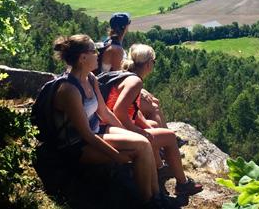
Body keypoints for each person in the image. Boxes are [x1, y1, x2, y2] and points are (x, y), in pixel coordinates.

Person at [51, 34, 160, 204]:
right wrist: (116, 155)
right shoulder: (69, 90)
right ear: (83, 58)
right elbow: (86, 135)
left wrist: (129, 134)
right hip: (77, 145)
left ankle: (156, 196)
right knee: (141, 146)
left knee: (144, 141)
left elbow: (105, 113)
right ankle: (148, 202)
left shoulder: (90, 78)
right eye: (94, 51)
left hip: (96, 131)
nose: (99, 53)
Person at [105, 43, 203, 196]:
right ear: (149, 63)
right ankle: (183, 183)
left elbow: (133, 111)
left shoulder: (124, 76)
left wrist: (147, 128)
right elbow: (119, 111)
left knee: (154, 125)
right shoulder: (135, 82)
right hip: (117, 130)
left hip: (111, 127)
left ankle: (159, 167)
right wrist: (138, 131)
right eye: (154, 61)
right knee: (170, 137)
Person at [100, 12, 167, 128]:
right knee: (154, 105)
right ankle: (161, 137)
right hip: (111, 94)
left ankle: (159, 134)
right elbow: (118, 77)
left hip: (107, 91)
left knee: (153, 101)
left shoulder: (108, 42)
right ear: (125, 27)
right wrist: (139, 91)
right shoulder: (116, 50)